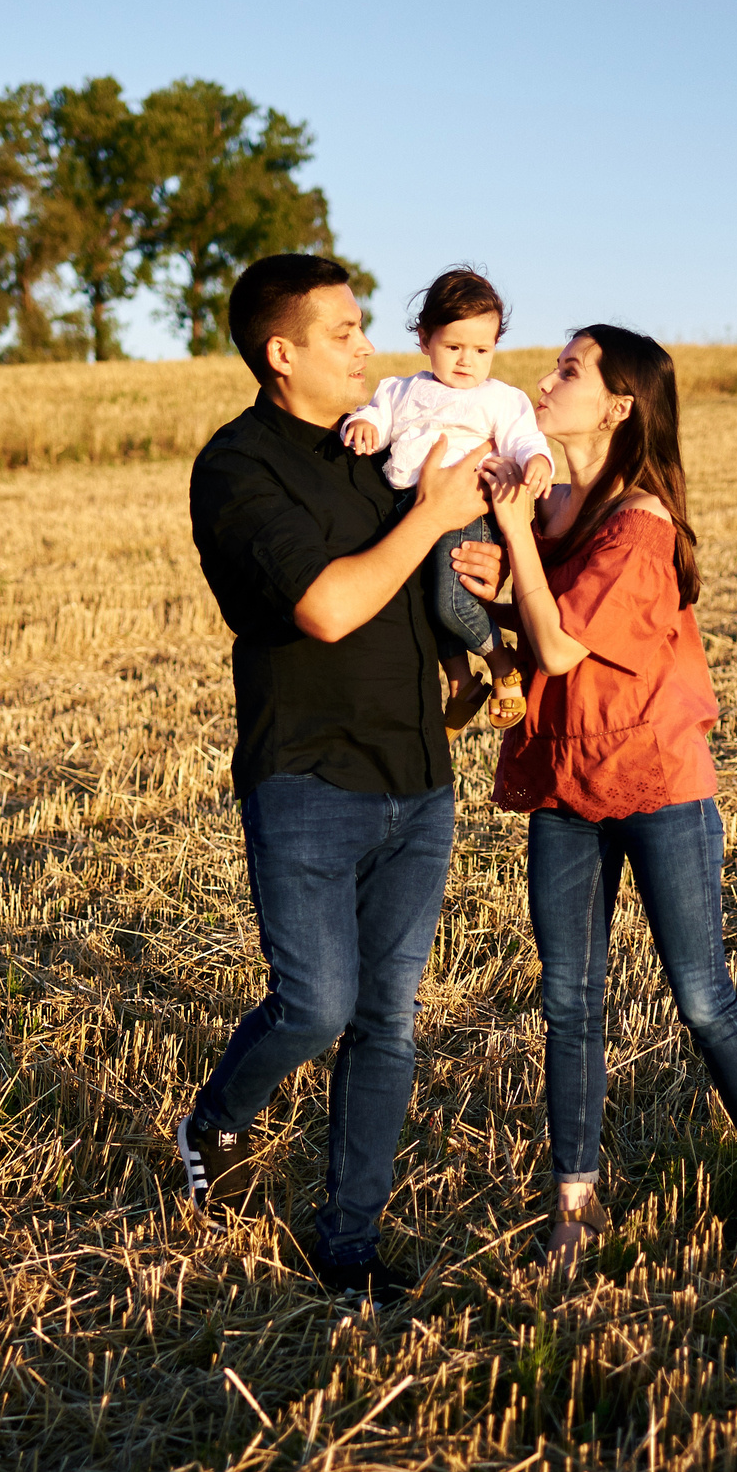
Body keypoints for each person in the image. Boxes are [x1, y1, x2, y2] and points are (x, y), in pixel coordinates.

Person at [179, 253, 498, 1301]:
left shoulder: (380, 450)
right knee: (317, 1004)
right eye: (344, 331)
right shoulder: (238, 468)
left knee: (386, 1021)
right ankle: (216, 1121)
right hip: (309, 775)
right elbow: (324, 606)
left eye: (364, 328)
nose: (368, 346)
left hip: (420, 773)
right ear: (282, 353)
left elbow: (422, 581)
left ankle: (350, 1244)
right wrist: (428, 518)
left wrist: (476, 595)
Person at [453, 324, 737, 1264]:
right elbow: (536, 616)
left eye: (569, 369)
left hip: (654, 780)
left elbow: (560, 644)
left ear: (617, 406)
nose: (544, 380)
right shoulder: (557, 505)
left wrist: (514, 544)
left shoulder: (642, 523)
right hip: (566, 778)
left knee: (702, 998)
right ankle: (575, 1205)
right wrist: (495, 583)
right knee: (568, 1001)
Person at [338, 268, 554, 731]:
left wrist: (537, 461)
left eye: (481, 350)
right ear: (424, 339)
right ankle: (460, 682)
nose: (466, 361)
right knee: (418, 602)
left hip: (463, 514)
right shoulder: (399, 390)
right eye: (453, 347)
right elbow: (373, 418)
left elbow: (525, 440)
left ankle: (501, 664)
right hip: (408, 509)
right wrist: (363, 426)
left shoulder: (500, 399)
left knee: (450, 603)